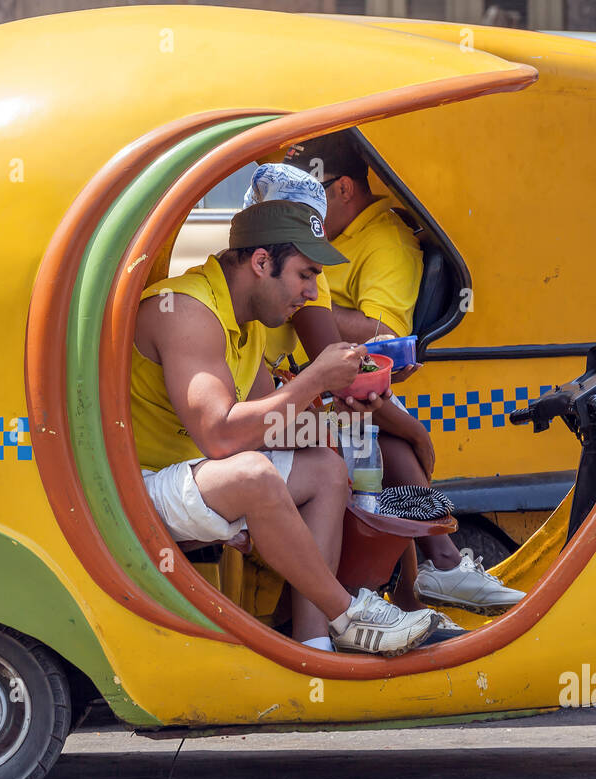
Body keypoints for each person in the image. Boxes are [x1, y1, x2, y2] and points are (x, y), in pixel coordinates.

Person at [130, 197, 441, 655]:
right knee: (253, 475)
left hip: (193, 476)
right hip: (133, 487)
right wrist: (315, 377)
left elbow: (270, 424)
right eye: (306, 274)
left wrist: (344, 412)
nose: (313, 293)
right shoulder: (188, 311)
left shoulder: (245, 319)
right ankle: (349, 615)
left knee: (325, 469)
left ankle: (315, 647)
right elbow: (221, 436)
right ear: (261, 262)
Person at [285, 133, 525, 614]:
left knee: (374, 431)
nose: (304, 210)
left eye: (311, 195)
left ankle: (430, 576)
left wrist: (319, 306)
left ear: (344, 189)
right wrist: (413, 430)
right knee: (385, 433)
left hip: (334, 395)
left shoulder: (379, 244)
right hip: (305, 398)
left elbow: (380, 343)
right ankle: (436, 570)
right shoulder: (301, 253)